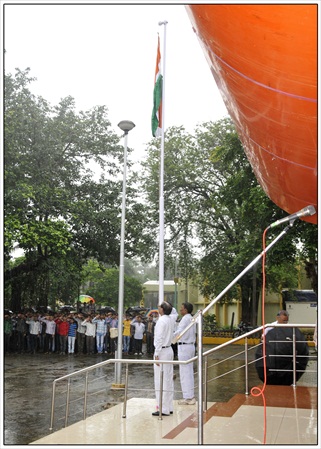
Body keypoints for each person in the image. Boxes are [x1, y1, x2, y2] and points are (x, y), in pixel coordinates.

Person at [256, 313, 309, 385]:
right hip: (272, 355)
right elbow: (263, 339)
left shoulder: (290, 328)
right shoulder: (270, 327)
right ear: (278, 318)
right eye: (284, 321)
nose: (285, 323)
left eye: (286, 321)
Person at [152, 301, 175, 416]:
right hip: (168, 349)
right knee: (168, 379)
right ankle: (168, 406)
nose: (158, 308)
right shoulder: (170, 319)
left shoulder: (162, 321)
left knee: (160, 380)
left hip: (162, 351)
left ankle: (163, 408)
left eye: (159, 306)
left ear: (162, 310)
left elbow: (159, 338)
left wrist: (156, 353)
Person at [173, 302, 196, 405]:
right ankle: (190, 396)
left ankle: (188, 397)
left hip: (184, 346)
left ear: (186, 310)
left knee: (184, 373)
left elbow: (179, 332)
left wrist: (170, 336)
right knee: (188, 372)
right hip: (190, 346)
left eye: (181, 308)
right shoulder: (191, 318)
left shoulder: (185, 319)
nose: (180, 310)